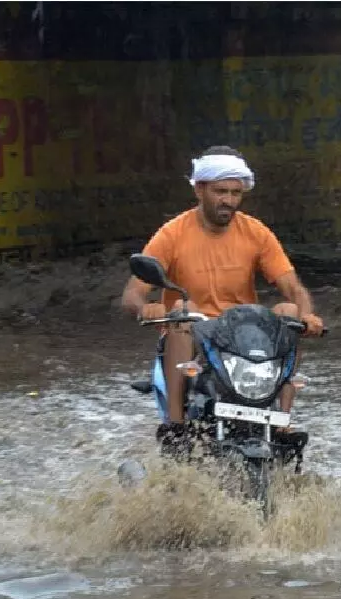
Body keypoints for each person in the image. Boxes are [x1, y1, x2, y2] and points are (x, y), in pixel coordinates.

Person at [119, 146, 324, 446]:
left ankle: (282, 421)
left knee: (289, 310)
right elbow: (131, 294)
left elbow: (293, 286)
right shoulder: (172, 233)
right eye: (221, 192)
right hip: (194, 336)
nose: (229, 201)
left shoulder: (256, 232)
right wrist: (144, 307)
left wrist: (307, 314)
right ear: (199, 190)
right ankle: (175, 426)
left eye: (236, 193)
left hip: (243, 336)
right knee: (178, 309)